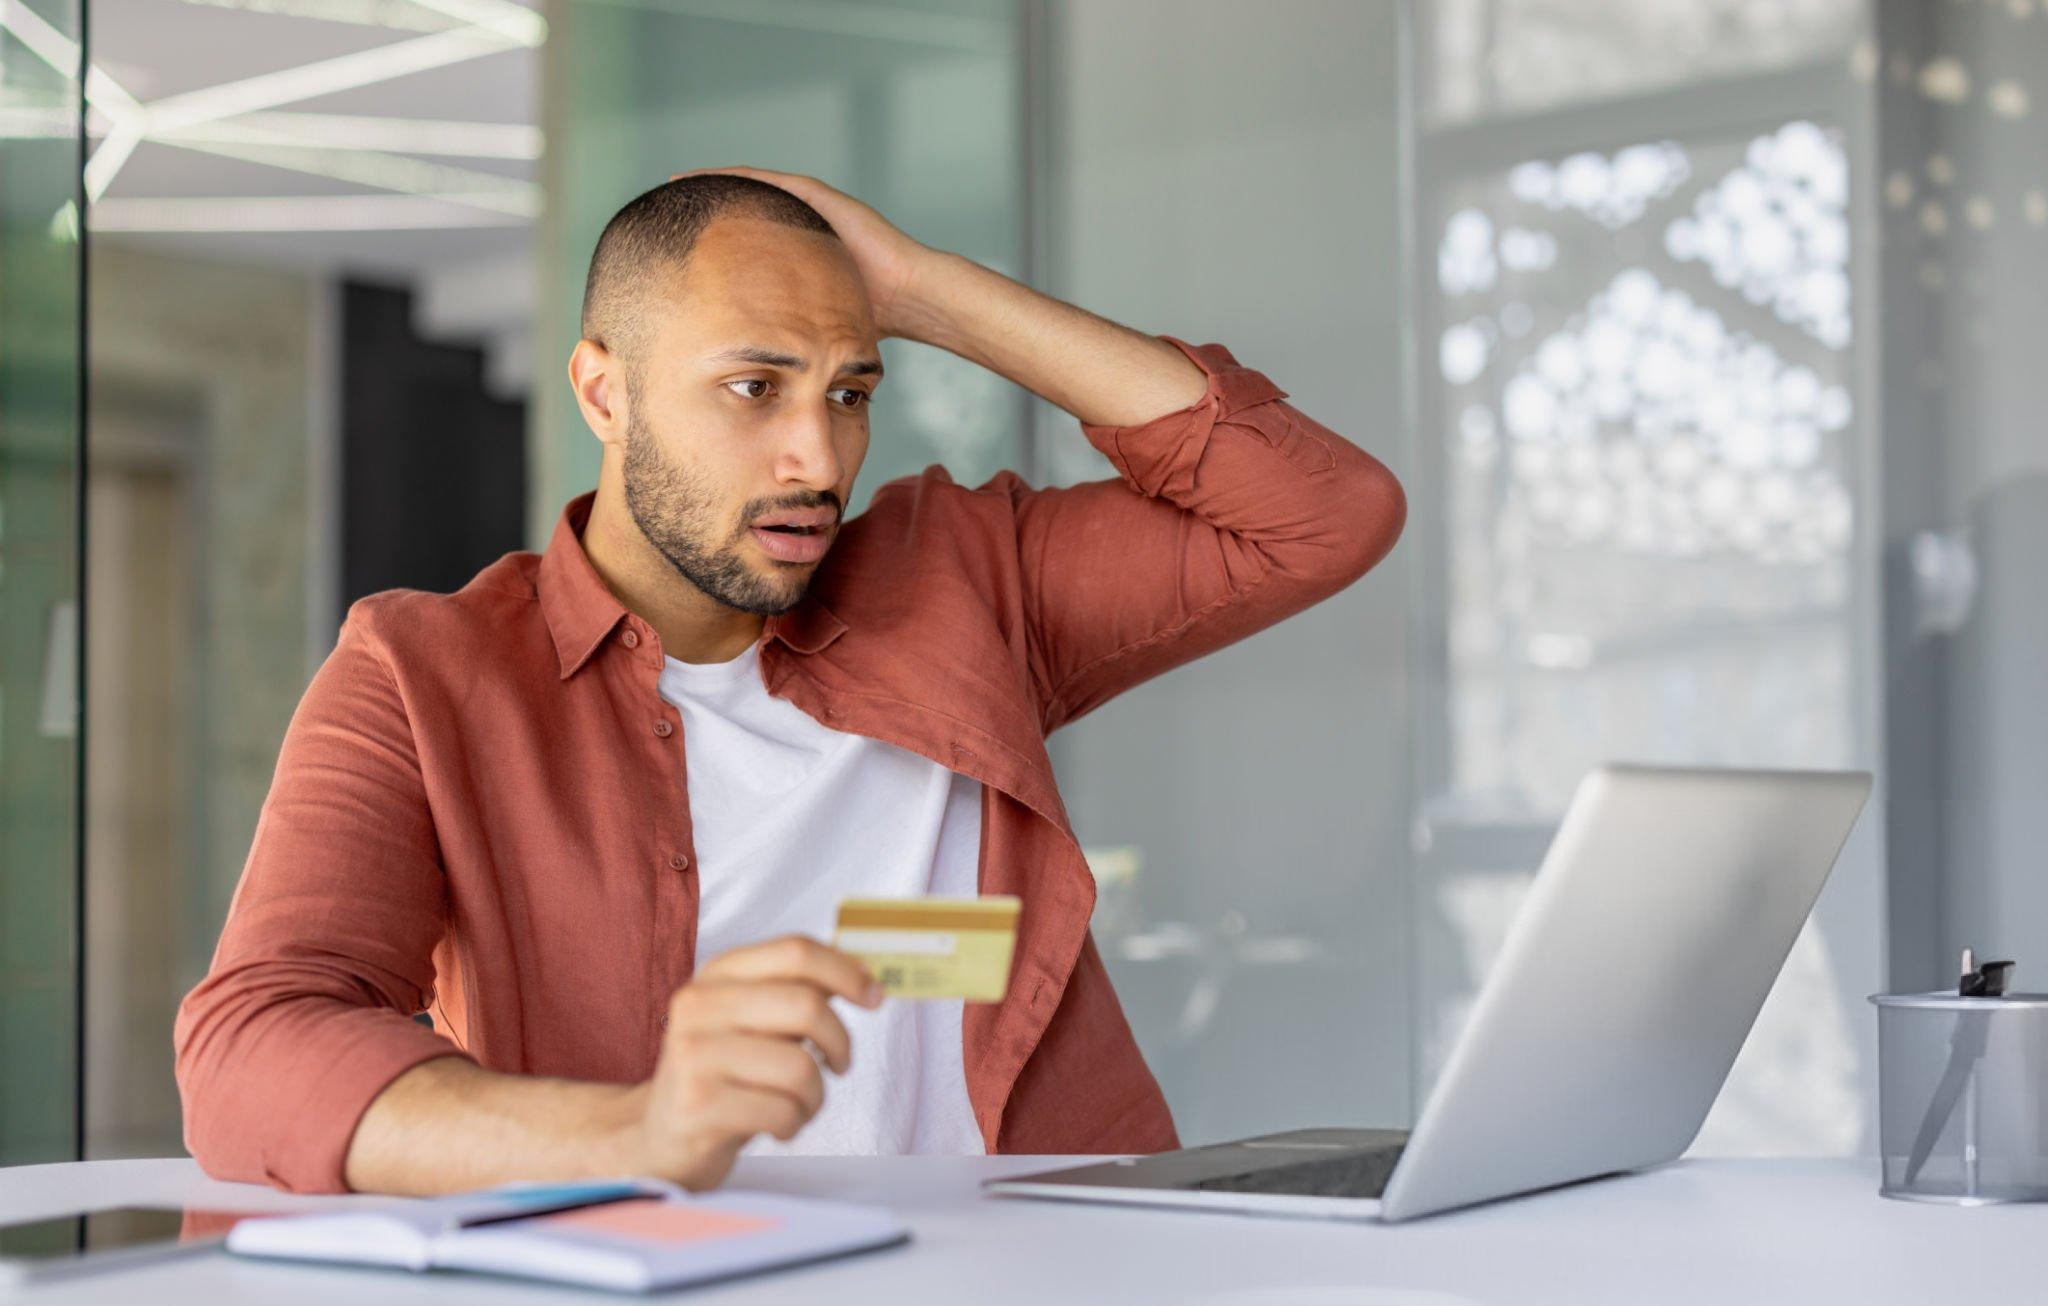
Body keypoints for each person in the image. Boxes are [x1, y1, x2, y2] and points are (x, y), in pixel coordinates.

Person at [173, 168, 1406, 1196]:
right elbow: (251, 1046)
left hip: (1057, 1256)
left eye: (850, 392)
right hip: (685, 1269)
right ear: (604, 392)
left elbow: (1321, 515)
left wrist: (922, 289)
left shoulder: (963, 586)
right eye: (754, 387)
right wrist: (632, 1134)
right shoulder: (423, 672)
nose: (818, 458)